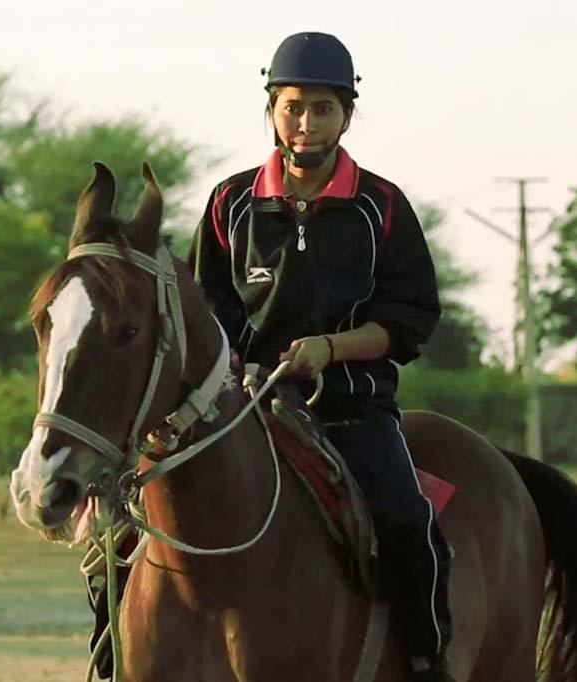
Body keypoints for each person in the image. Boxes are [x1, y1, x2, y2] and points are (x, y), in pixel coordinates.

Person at [185, 31, 455, 681]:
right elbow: (208, 308)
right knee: (125, 529)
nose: (306, 124)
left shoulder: (382, 207)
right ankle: (109, 656)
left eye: (324, 109)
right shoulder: (230, 203)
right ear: (273, 109)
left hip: (350, 409)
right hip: (241, 409)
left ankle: (426, 658)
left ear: (347, 115)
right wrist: (236, 370)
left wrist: (329, 350)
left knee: (406, 520)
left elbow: (411, 320)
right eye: (294, 107)